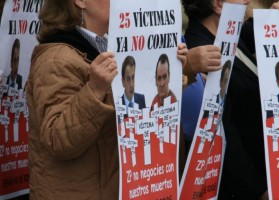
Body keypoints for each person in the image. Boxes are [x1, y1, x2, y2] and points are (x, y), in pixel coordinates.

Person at [26, 0, 189, 199]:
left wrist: (170, 79)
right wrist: (94, 90)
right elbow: (57, 141)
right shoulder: (56, 60)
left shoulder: (107, 48)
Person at [181, 0, 279, 199]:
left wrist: (272, 19)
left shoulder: (229, 34)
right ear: (218, 4)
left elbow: (250, 34)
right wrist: (259, 189)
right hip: (241, 188)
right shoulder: (201, 52)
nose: (247, 1)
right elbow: (223, 130)